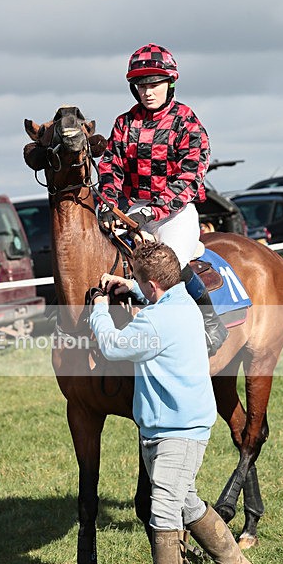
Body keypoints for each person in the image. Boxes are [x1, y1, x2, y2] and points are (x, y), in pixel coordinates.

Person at [89, 241, 260, 564]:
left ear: (152, 286)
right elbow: (155, 297)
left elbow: (114, 346)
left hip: (176, 431)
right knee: (186, 504)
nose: (133, 281)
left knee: (163, 510)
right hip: (172, 426)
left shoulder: (156, 321)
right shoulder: (181, 299)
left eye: (136, 277)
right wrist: (128, 286)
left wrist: (100, 309)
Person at [97, 42, 228, 356]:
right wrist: (108, 203)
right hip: (130, 211)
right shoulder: (123, 124)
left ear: (170, 83)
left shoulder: (187, 122)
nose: (147, 91)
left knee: (170, 268)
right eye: (141, 85)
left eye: (154, 84)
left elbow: (189, 178)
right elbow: (110, 167)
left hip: (175, 213)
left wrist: (151, 214)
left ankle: (211, 324)